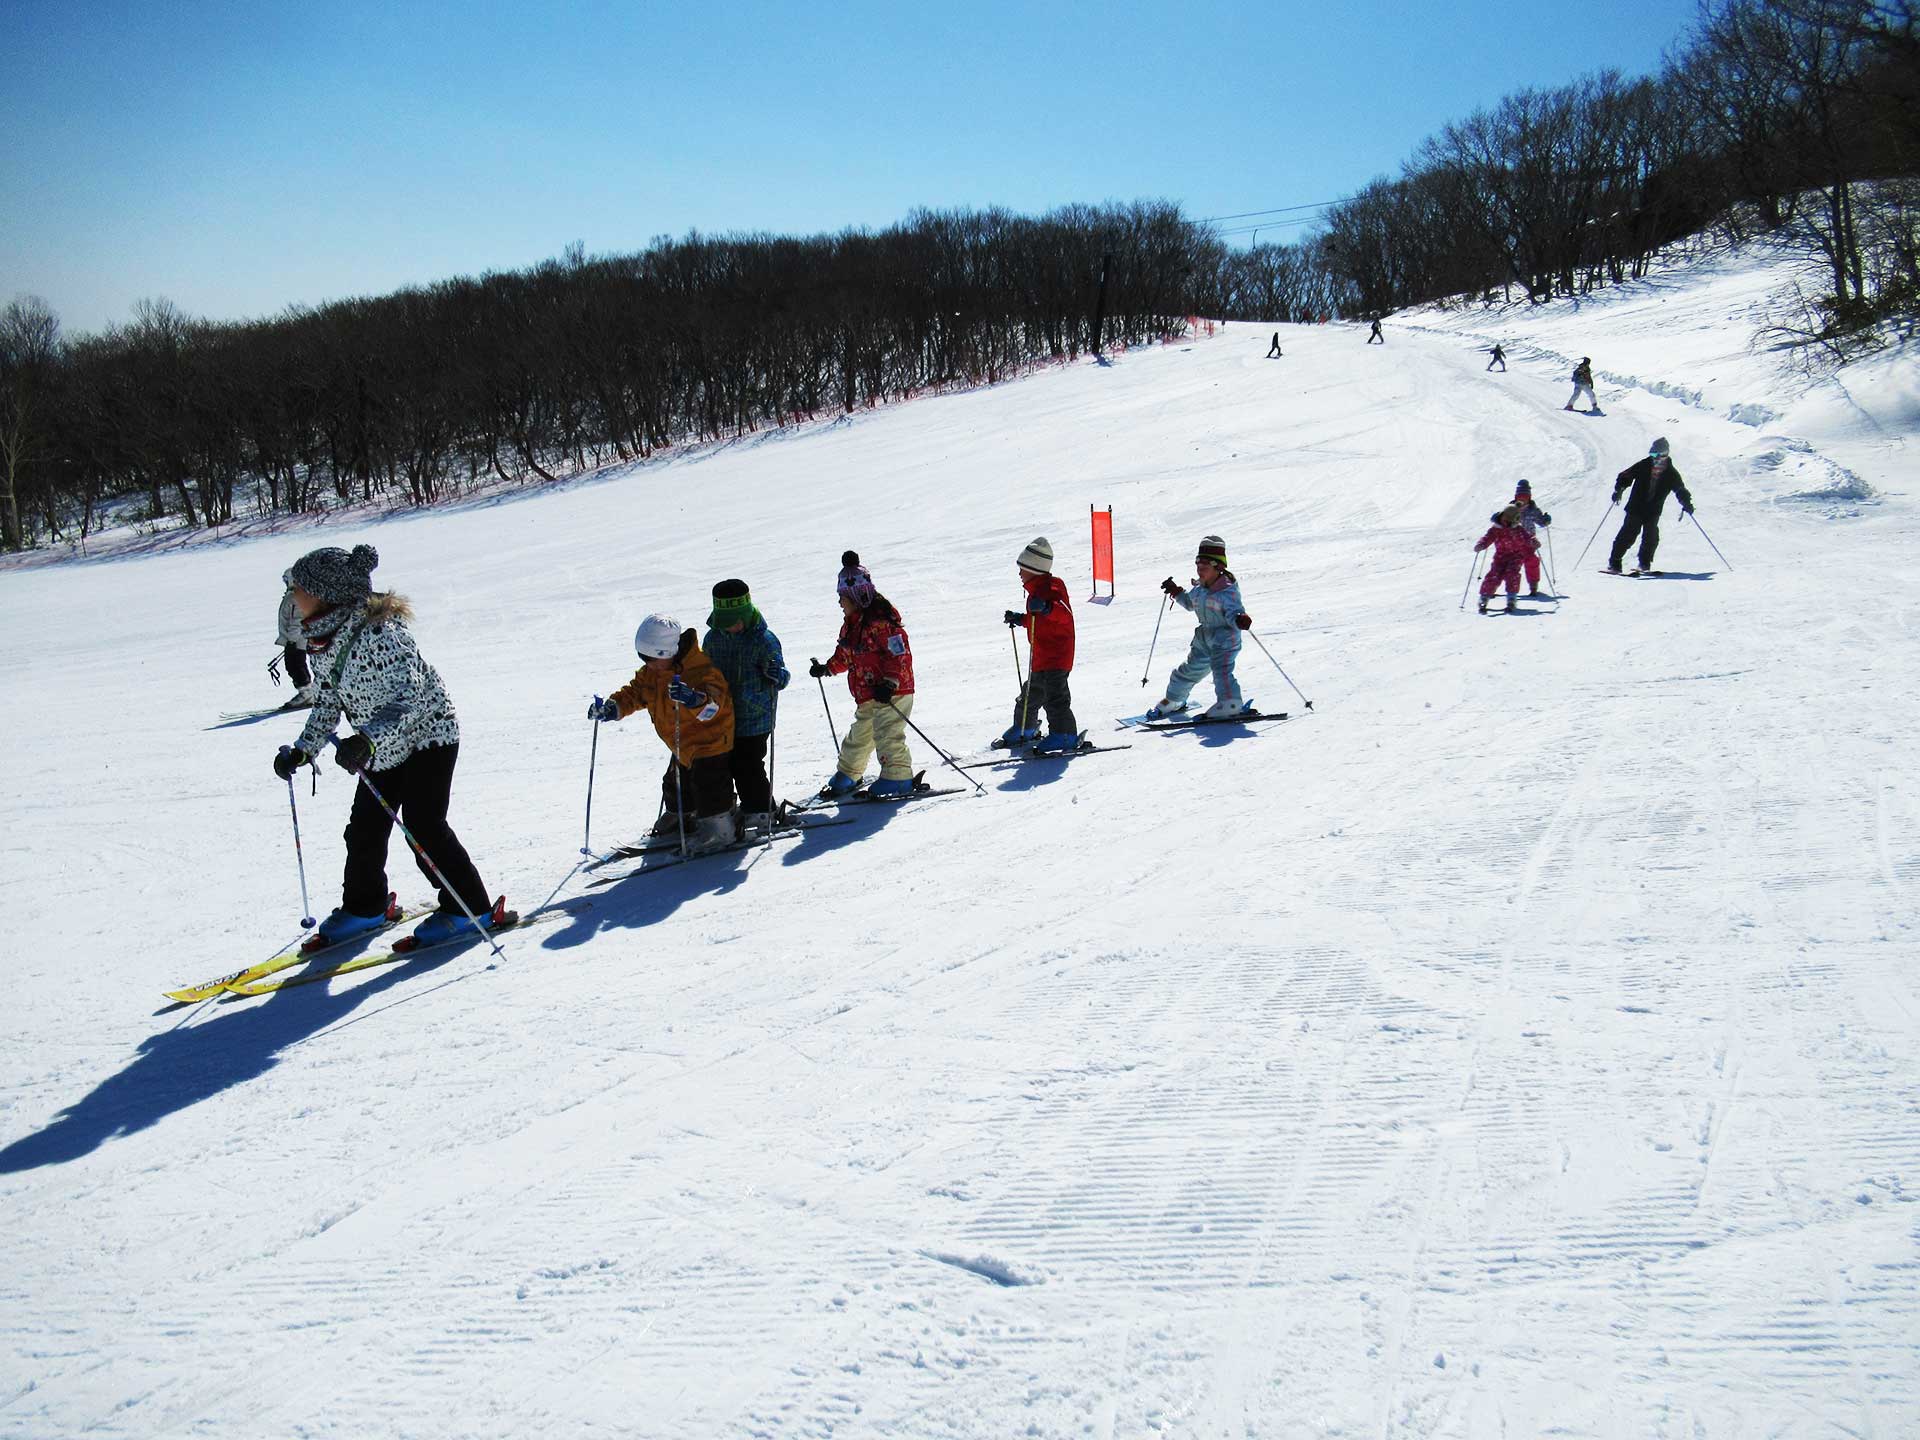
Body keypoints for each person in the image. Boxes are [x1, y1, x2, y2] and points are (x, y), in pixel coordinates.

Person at [270, 545, 507, 947]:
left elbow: (409, 698)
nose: (294, 598)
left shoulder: (382, 632)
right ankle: (367, 907)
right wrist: (303, 750)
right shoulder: (323, 641)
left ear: (327, 594)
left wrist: (365, 740)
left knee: (423, 825)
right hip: (381, 748)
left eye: (301, 590)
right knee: (363, 830)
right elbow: (329, 701)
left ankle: (469, 907)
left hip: (427, 738)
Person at [589, 614, 737, 854]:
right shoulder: (651, 673)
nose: (648, 664)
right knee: (675, 782)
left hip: (711, 741)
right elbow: (635, 693)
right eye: (643, 658)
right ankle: (681, 816)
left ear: (668, 653)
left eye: (651, 659)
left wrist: (694, 699)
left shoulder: (700, 670)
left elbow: (715, 707)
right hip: (682, 743)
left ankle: (719, 828)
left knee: (708, 784)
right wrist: (613, 707)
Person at [808, 552, 917, 798]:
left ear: (858, 597)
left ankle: (898, 777)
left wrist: (889, 683)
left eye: (843, 598)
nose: (839, 603)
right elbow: (845, 654)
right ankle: (849, 773)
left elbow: (897, 655)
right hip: (868, 694)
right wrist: (827, 668)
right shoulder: (851, 625)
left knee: (887, 733)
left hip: (892, 692)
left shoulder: (883, 623)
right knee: (860, 734)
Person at [702, 578, 789, 838]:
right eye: (725, 622)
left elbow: (782, 677)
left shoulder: (764, 640)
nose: (731, 627)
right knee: (722, 764)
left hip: (754, 716)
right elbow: (704, 670)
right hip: (722, 715)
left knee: (747, 764)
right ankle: (727, 810)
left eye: (735, 621)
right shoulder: (713, 638)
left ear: (747, 614)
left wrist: (776, 674)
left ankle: (761, 811)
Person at [1147, 535, 1251, 719]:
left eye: (1205, 566)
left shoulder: (1227, 591)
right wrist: (1176, 591)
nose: (1200, 569)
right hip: (1204, 639)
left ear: (1218, 567)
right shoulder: (1200, 588)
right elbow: (1190, 603)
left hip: (1225, 639)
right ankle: (1174, 699)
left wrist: (1240, 619)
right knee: (1188, 670)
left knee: (1221, 671)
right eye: (1198, 564)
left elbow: (1234, 611)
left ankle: (1230, 703)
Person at [998, 536, 1078, 752]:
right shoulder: (1035, 592)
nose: (1019, 573)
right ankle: (1025, 728)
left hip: (1057, 656)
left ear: (1034, 568)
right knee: (1030, 695)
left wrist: (1047, 608)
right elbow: (1038, 620)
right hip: (1041, 657)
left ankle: (1065, 734)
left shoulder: (1053, 586)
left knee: (1055, 698)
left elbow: (1063, 614)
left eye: (1022, 568)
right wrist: (1020, 618)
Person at [1606, 437, 1694, 574]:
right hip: (1636, 507)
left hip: (1653, 511)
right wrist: (1620, 488)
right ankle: (1614, 563)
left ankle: (1644, 564)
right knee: (1628, 534)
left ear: (1665, 455)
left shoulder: (1671, 473)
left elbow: (1680, 489)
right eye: (1652, 455)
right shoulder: (1644, 465)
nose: (1655, 458)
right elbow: (1625, 475)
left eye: (1657, 455)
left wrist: (1686, 503)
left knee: (1651, 537)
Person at [1474, 505, 1539, 613]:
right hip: (1500, 557)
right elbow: (1487, 537)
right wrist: (1481, 544)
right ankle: (1484, 597)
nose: (1506, 522)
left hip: (1515, 557)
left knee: (1512, 575)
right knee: (1494, 575)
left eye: (1510, 520)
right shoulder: (1496, 529)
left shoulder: (1518, 529)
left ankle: (1511, 598)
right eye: (1505, 519)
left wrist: (1533, 541)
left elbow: (1527, 537)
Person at [268, 570, 316, 710]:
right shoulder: (295, 595)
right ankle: (307, 692)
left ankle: (306, 693)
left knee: (295, 664)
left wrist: (292, 640)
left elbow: (297, 620)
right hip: (294, 638)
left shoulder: (296, 596)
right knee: (294, 664)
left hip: (296, 639)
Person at [1499, 479, 1552, 597]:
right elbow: (1501, 521)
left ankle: (1533, 586)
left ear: (1529, 497)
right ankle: (1495, 584)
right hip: (1511, 543)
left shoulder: (1533, 510)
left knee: (1532, 561)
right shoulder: (1510, 509)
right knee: (1506, 565)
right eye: (1520, 497)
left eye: (1525, 497)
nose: (1522, 500)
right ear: (1516, 497)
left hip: (1528, 542)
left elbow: (1541, 522)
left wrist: (1545, 520)